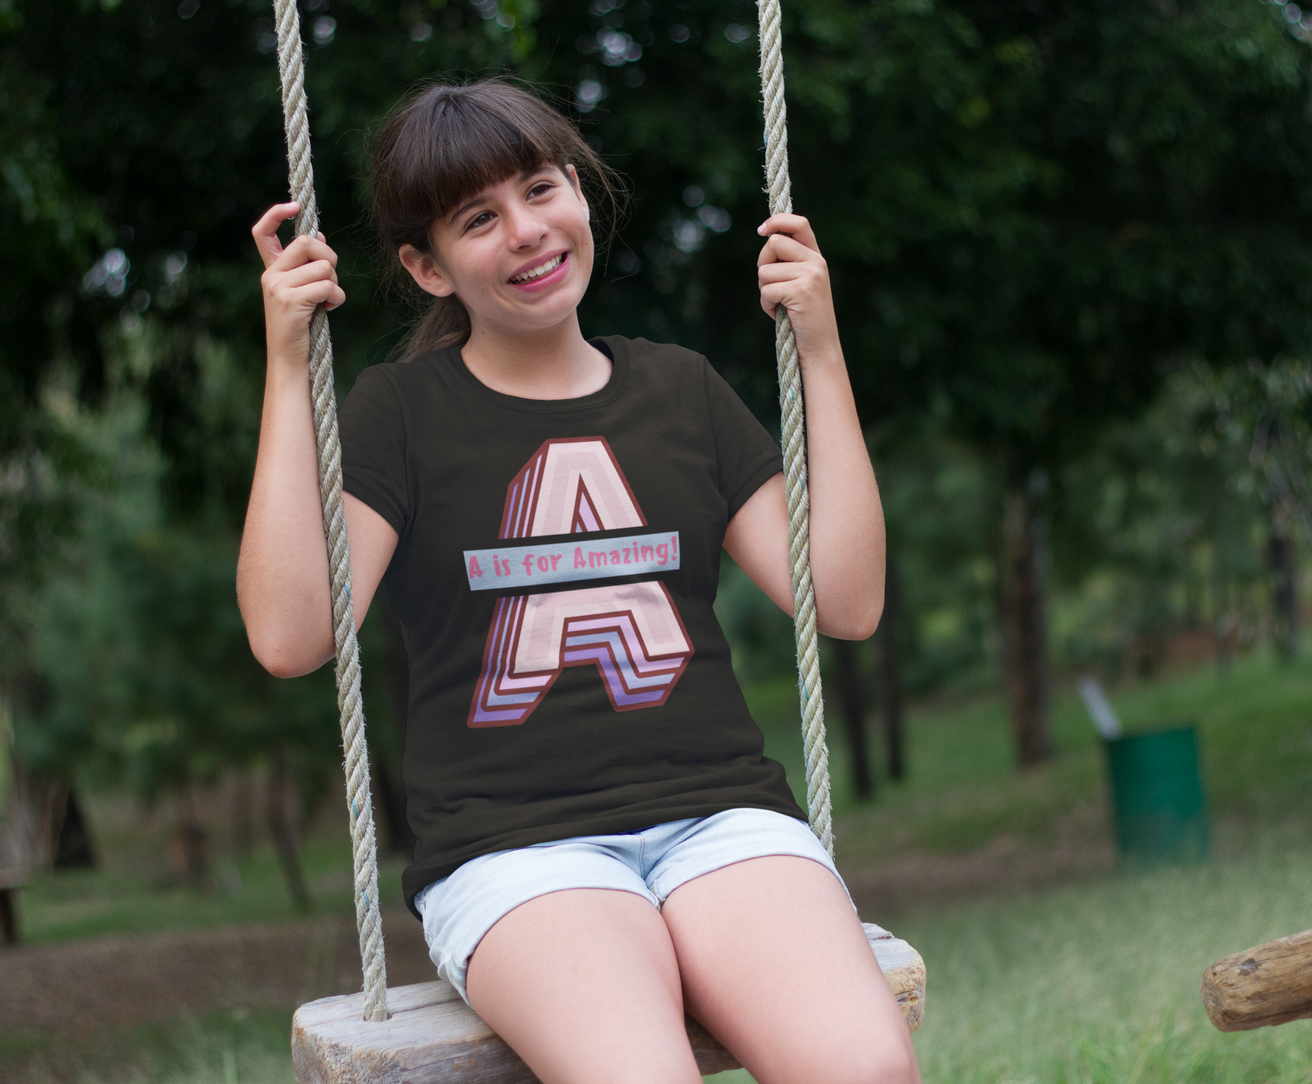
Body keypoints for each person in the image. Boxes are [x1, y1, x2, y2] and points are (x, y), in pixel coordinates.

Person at [237, 79, 917, 1084]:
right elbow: (290, 638)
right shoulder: (400, 414)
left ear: (579, 193)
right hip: (512, 851)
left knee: (864, 1069)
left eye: (539, 189)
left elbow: (845, 603)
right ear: (427, 267)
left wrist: (819, 347)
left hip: (720, 819)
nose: (525, 231)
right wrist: (288, 366)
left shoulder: (682, 389)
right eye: (477, 219)